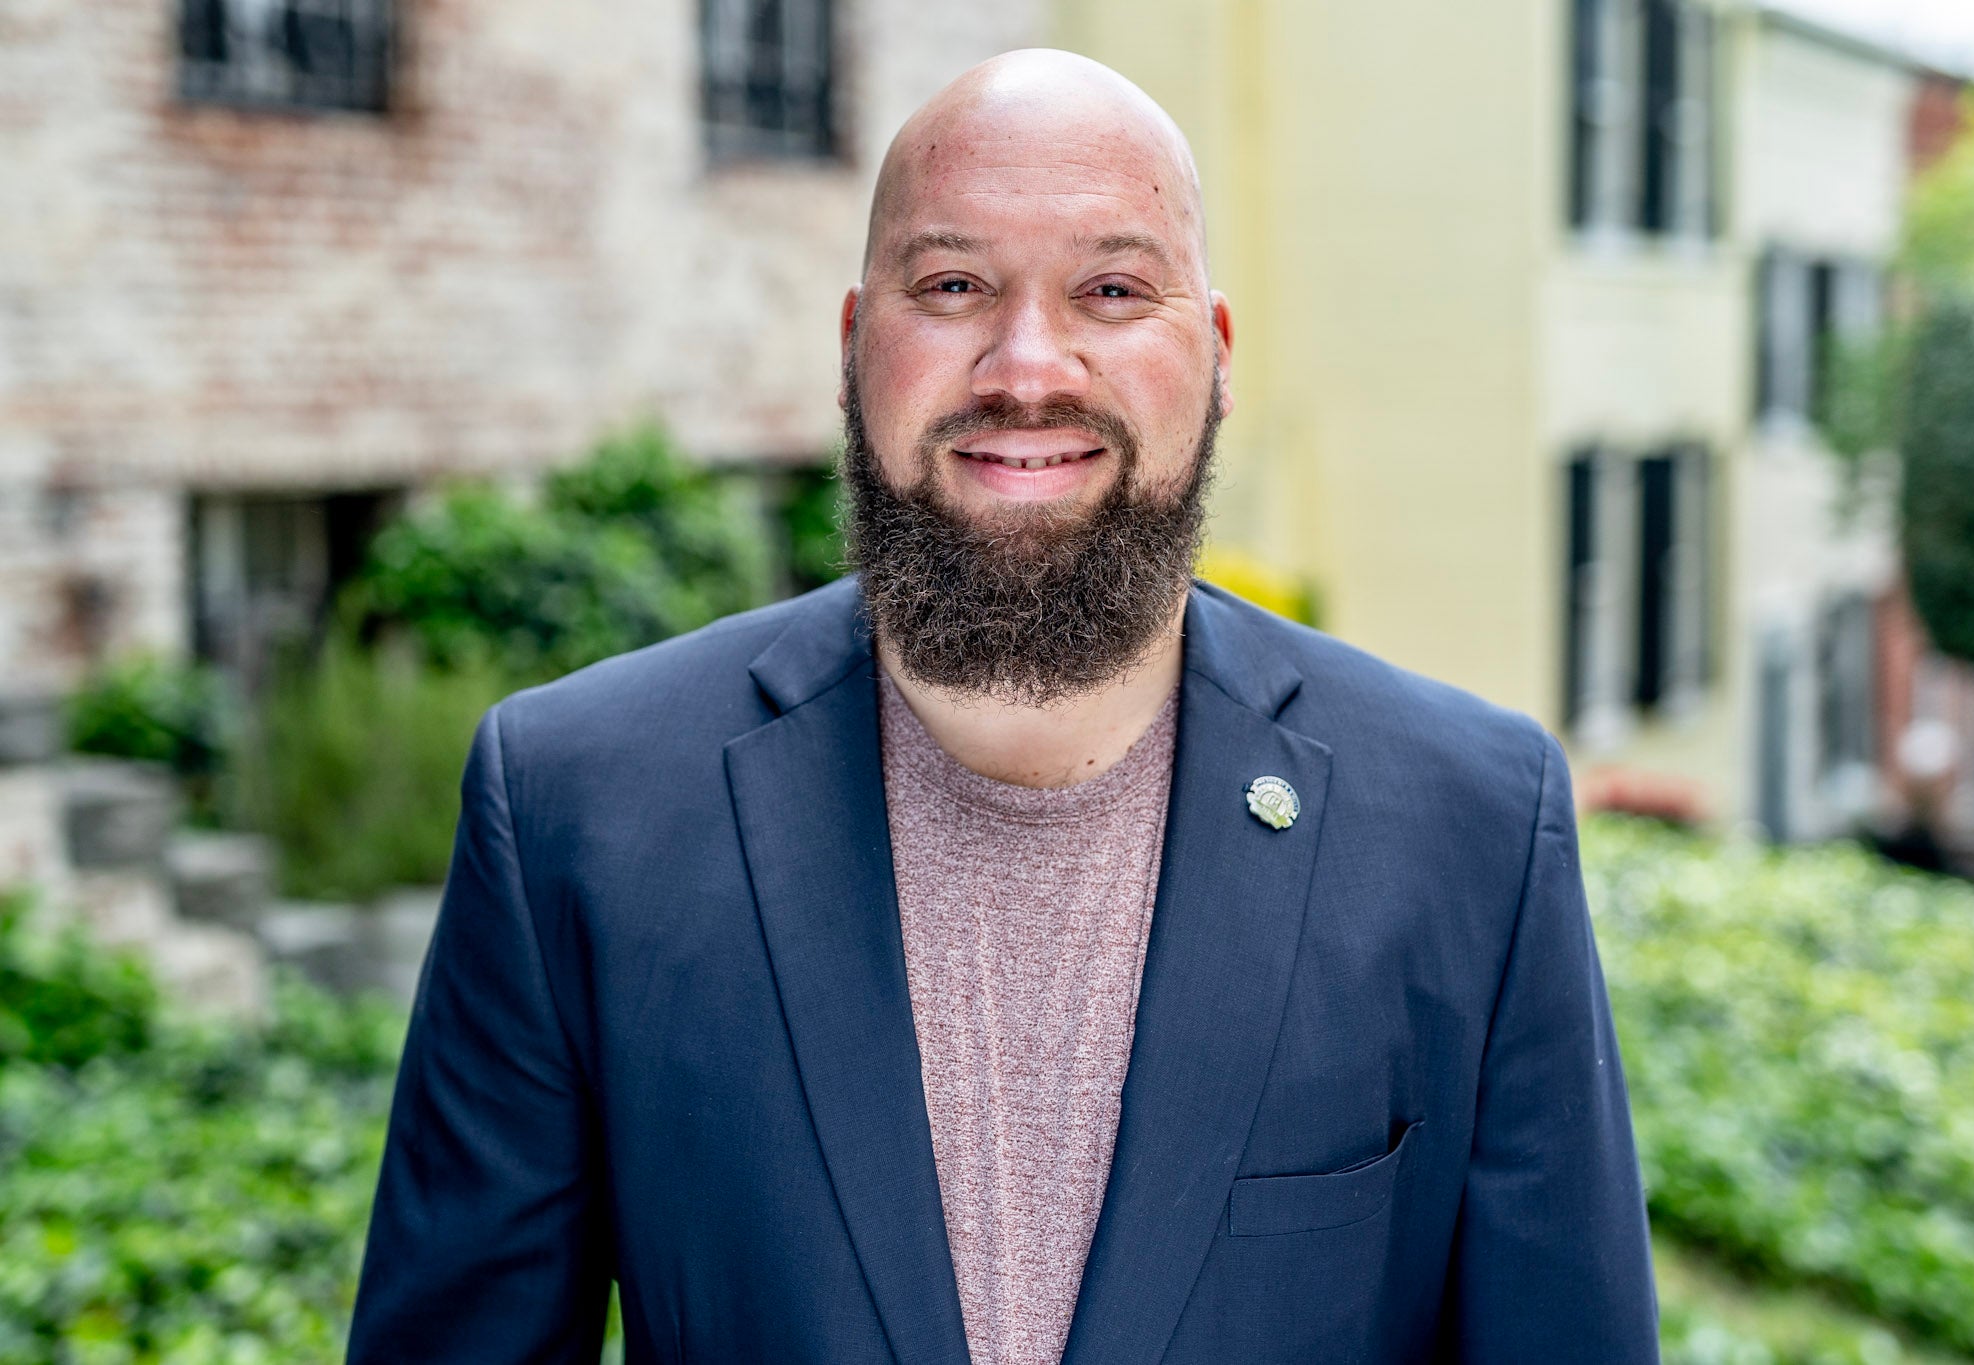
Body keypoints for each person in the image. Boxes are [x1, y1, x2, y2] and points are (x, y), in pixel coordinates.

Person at [347, 49, 1659, 1365]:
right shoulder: (575, 806)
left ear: (1212, 357)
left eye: (1110, 289)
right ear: (858, 346)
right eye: (956, 284)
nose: (1028, 367)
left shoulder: (1473, 826)